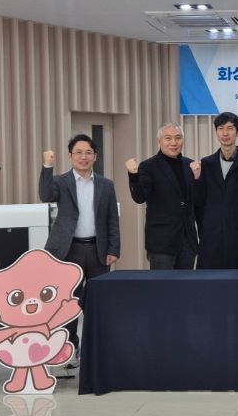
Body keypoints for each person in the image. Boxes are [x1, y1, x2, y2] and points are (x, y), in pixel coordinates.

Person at [39, 134, 120, 368]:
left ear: (95, 156)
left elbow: (112, 220)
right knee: (69, 304)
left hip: (98, 250)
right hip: (68, 250)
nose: (83, 157)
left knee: (98, 302)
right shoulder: (60, 182)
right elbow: (45, 195)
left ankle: (94, 351)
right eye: (78, 152)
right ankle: (70, 351)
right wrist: (47, 166)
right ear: (70, 156)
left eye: (88, 153)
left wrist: (114, 248)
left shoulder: (106, 184)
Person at [190, 112, 238, 269]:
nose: (225, 133)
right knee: (209, 281)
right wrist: (196, 179)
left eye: (230, 128)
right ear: (216, 132)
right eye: (221, 128)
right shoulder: (205, 164)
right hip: (211, 238)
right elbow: (198, 202)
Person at [126, 122, 198, 269]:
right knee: (161, 284)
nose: (173, 142)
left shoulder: (190, 165)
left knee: (187, 284)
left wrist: (197, 179)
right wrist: (133, 175)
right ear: (159, 141)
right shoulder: (148, 166)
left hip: (187, 241)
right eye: (168, 138)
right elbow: (139, 197)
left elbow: (197, 201)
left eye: (178, 138)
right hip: (161, 243)